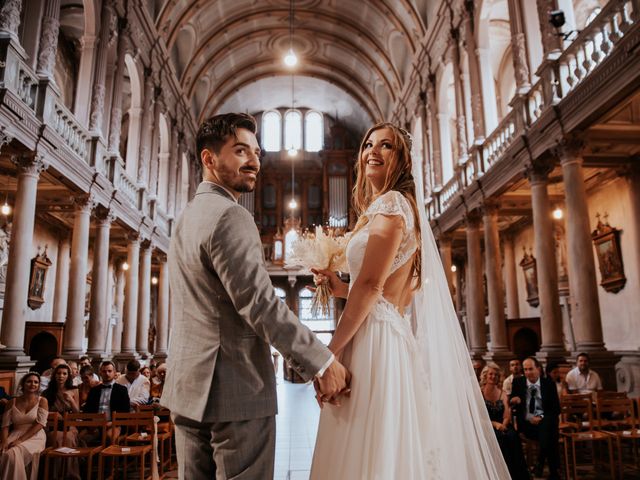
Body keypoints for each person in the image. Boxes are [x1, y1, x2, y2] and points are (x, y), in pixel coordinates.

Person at [309, 123, 509, 478]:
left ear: (401, 160)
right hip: (386, 332)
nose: (373, 150)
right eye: (368, 144)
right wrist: (341, 288)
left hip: (375, 338)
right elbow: (387, 288)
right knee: (380, 445)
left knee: (366, 446)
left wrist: (330, 353)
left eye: (386, 146)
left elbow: (371, 286)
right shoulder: (391, 208)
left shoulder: (390, 204)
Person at [162, 112, 349, 480]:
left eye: (257, 152)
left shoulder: (186, 218)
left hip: (187, 389)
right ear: (209, 158)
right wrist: (321, 362)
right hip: (235, 390)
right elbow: (260, 303)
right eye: (241, 151)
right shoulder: (231, 215)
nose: (254, 161)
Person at [510, 357, 561, 479]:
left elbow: (556, 409)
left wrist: (541, 417)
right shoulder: (518, 382)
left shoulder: (548, 384)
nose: (528, 372)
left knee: (547, 426)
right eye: (525, 369)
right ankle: (553, 470)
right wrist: (514, 400)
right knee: (550, 433)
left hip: (545, 423)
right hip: (527, 425)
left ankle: (540, 463)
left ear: (538, 368)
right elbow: (512, 402)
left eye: (531, 369)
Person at [480, 364, 529, 479]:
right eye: (491, 374)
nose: (493, 377)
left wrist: (504, 424)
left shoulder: (502, 393)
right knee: (498, 438)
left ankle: (515, 475)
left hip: (503, 424)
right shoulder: (479, 393)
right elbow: (479, 417)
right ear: (485, 376)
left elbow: (507, 415)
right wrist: (496, 425)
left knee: (512, 436)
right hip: (486, 425)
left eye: (496, 375)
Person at [0, 372, 48, 480]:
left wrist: (20, 440)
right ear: (23, 384)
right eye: (29, 381)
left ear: (39, 385)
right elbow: (5, 426)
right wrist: (4, 441)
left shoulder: (42, 401)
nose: (32, 384)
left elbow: (40, 424)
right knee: (3, 451)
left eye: (36, 382)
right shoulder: (12, 402)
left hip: (35, 436)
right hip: (15, 433)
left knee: (13, 452)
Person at [42, 364, 81, 479]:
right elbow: (42, 412)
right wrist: (54, 414)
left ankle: (69, 474)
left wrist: (71, 400)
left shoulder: (74, 390)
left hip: (70, 425)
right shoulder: (47, 392)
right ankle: (55, 474)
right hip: (53, 425)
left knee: (68, 437)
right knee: (57, 438)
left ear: (68, 376)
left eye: (64, 373)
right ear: (54, 375)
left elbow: (77, 413)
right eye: (59, 373)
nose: (61, 376)